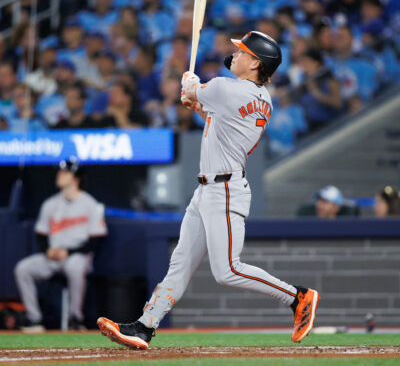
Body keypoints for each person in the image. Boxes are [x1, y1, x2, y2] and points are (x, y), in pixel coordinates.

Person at [97, 31, 320, 348]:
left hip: (225, 190)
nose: (237, 55)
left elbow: (199, 93)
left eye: (243, 52)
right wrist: (197, 101)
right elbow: (217, 117)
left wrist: (190, 87)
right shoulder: (260, 97)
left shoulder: (224, 88)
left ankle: (298, 298)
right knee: (181, 263)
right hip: (209, 189)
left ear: (256, 62)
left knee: (227, 270)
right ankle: (144, 326)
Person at [14, 158, 107, 332]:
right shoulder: (50, 204)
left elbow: (95, 240)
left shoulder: (90, 204)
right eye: (59, 172)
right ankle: (34, 319)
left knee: (75, 267)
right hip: (53, 255)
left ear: (76, 178)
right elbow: (41, 234)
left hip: (77, 255)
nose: (59, 175)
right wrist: (47, 250)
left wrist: (69, 251)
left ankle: (75, 319)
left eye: (65, 172)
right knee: (22, 268)